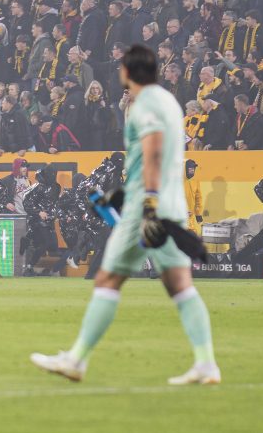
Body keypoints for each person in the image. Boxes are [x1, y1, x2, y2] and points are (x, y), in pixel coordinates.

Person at [31, 45, 219, 385]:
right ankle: (206, 363)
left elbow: (153, 148)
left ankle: (76, 360)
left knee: (107, 280)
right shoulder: (168, 102)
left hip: (145, 209)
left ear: (128, 72)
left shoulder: (145, 103)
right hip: (172, 204)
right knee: (180, 285)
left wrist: (147, 200)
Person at [22, 164, 60, 276]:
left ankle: (32, 266)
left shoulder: (56, 187)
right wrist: (38, 212)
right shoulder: (37, 187)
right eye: (51, 174)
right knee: (44, 243)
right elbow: (27, 202)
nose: (53, 176)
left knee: (52, 245)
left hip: (49, 220)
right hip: (37, 221)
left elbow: (55, 202)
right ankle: (28, 267)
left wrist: (54, 214)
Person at [184, 159, 203, 233]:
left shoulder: (195, 181)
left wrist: (198, 214)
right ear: (185, 169)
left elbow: (198, 198)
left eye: (193, 169)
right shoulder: (178, 182)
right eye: (190, 169)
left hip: (190, 219)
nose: (192, 171)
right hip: (179, 218)